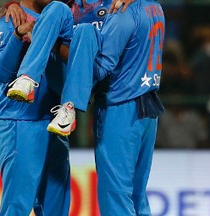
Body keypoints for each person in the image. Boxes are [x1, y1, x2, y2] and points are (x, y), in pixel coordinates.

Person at [47, 0, 166, 215]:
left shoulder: (121, 14)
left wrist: (69, 53)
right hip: (148, 108)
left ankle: (68, 109)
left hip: (120, 109)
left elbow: (101, 68)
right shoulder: (154, 6)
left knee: (115, 196)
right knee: (137, 196)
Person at [0, 0, 73, 215]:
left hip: (54, 121)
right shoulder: (9, 21)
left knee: (56, 208)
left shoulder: (60, 19)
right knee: (17, 206)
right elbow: (1, 71)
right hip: (20, 121)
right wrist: (18, 35)